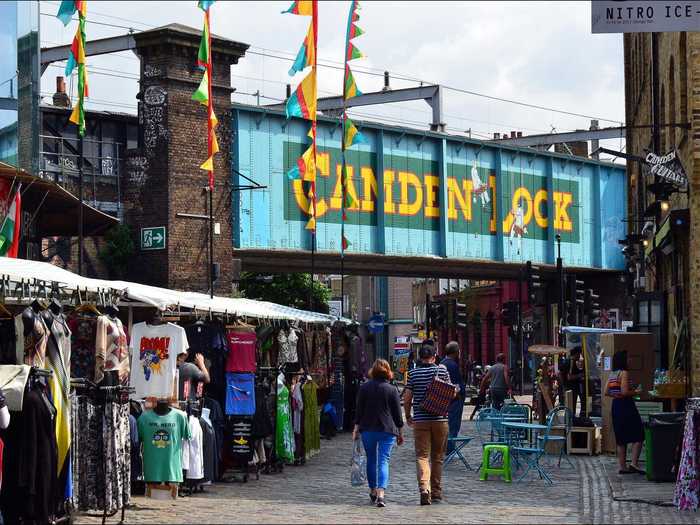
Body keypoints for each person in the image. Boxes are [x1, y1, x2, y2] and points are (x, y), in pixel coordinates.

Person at [403, 344, 456, 506]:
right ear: (434, 356)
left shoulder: (413, 373)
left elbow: (407, 397)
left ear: (420, 357)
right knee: (438, 458)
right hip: (440, 419)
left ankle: (424, 489)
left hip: (421, 420)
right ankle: (437, 492)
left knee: (422, 456)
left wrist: (407, 416)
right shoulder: (441, 370)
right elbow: (451, 393)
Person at [352, 359, 404, 508]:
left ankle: (373, 490)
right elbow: (397, 414)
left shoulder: (364, 388)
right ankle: (381, 493)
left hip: (368, 429)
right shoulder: (392, 389)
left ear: (372, 371)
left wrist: (356, 428)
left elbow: (359, 410)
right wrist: (400, 432)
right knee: (383, 460)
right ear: (388, 372)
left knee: (371, 460)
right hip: (387, 430)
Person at [604, 350, 645, 475]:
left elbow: (606, 392)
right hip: (626, 405)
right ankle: (634, 463)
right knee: (639, 433)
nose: (630, 360)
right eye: (627, 358)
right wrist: (637, 392)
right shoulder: (624, 373)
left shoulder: (612, 374)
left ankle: (622, 466)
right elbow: (625, 392)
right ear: (623, 360)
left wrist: (616, 394)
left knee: (621, 437)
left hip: (616, 405)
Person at [441, 342, 465, 453]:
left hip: (445, 399)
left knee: (447, 424)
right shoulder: (452, 365)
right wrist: (459, 395)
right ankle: (450, 449)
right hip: (454, 400)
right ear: (455, 352)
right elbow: (456, 385)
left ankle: (446, 447)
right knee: (453, 424)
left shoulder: (442, 363)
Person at [562, 346, 585, 417]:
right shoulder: (571, 362)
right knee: (571, 405)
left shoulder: (570, 361)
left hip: (570, 387)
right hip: (571, 387)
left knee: (570, 406)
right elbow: (569, 377)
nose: (580, 356)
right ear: (576, 354)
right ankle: (570, 421)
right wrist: (580, 375)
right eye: (579, 354)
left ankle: (570, 419)